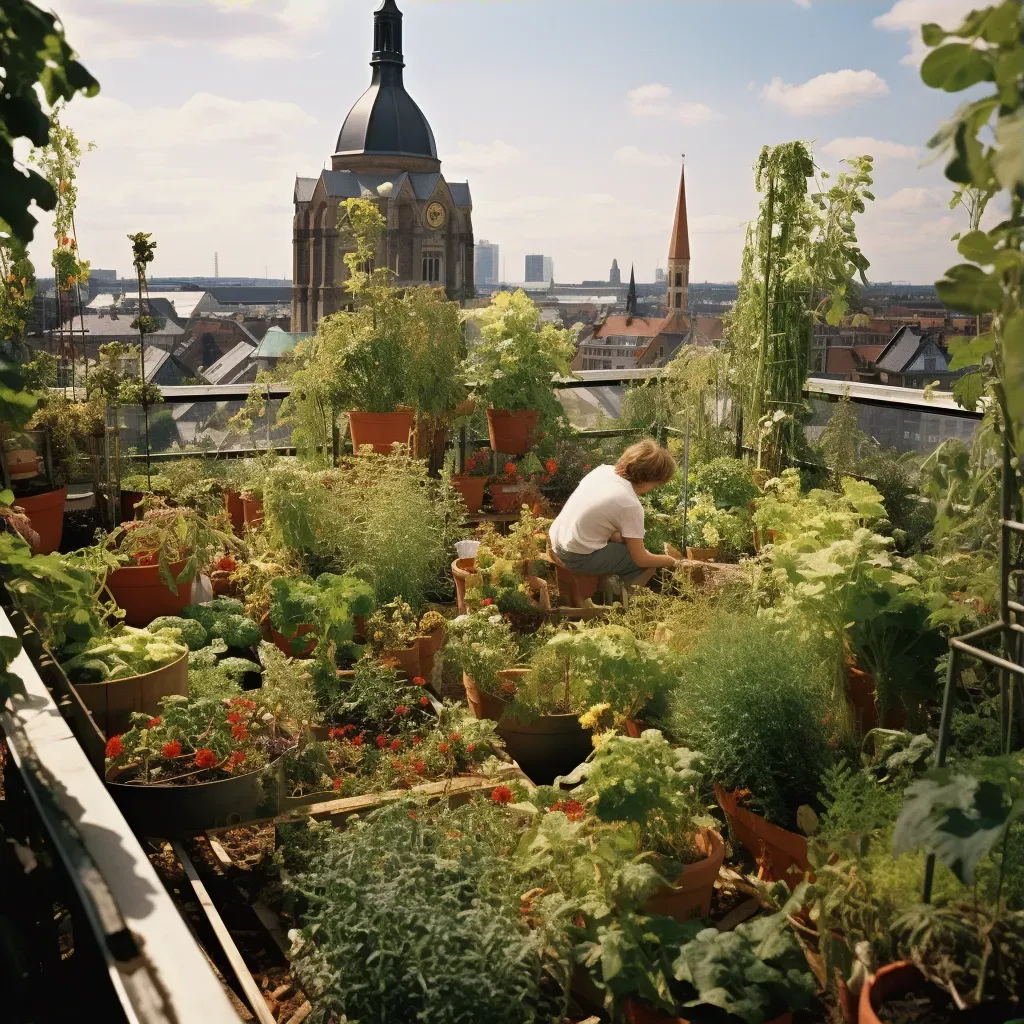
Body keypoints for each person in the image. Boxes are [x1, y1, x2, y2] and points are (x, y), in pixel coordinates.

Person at [548, 438, 679, 587]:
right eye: (656, 485)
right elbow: (640, 558)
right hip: (575, 557)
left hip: (558, 539)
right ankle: (634, 601)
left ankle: (612, 586)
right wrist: (670, 561)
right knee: (642, 562)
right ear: (647, 480)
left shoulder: (603, 471)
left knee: (624, 544)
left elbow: (596, 515)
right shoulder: (630, 504)